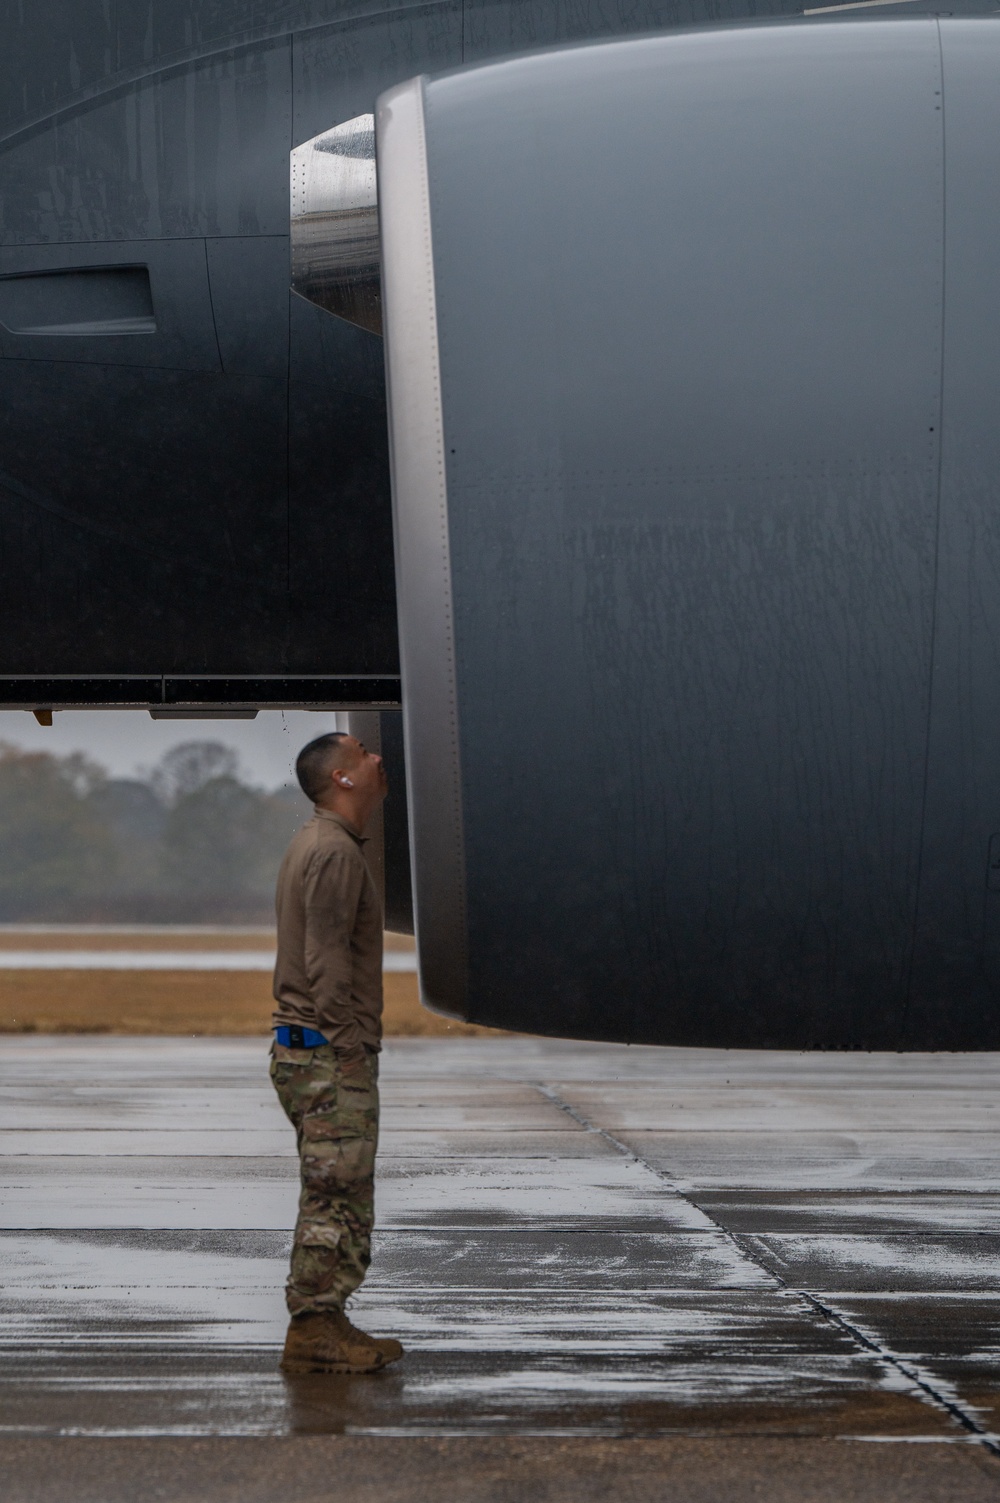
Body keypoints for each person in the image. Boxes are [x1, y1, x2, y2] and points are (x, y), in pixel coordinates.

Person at [270, 730, 403, 1374]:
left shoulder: (329, 845)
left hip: (315, 1051)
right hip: (325, 1054)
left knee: (340, 1191)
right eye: (362, 756)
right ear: (343, 780)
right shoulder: (334, 854)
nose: (378, 758)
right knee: (334, 1195)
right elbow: (326, 965)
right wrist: (350, 1052)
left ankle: (327, 1320)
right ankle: (315, 1329)